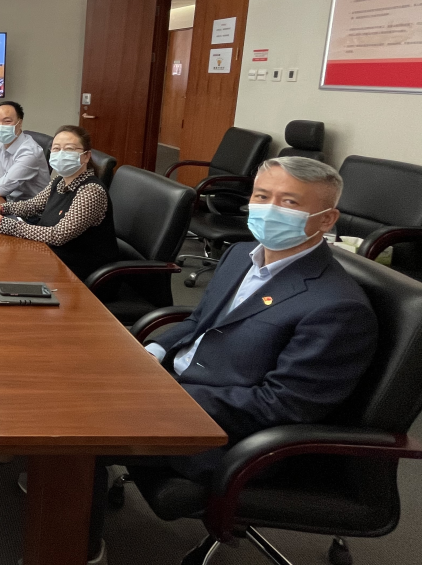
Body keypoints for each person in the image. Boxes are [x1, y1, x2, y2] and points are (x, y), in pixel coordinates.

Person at [61, 156, 380, 563]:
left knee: (76, 432)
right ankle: (59, 488)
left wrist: (165, 397)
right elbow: (199, 321)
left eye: (289, 202)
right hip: (175, 384)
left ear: (326, 219)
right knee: (70, 375)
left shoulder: (337, 307)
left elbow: (283, 405)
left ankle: (75, 550)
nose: (269, 209)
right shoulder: (242, 254)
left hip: (228, 433)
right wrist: (152, 352)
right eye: (262, 196)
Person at [0, 125, 118, 281]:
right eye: (56, 149)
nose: (61, 154)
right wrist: (1, 208)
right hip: (51, 256)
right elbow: (32, 206)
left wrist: (4, 224)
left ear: (86, 156)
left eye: (69, 149)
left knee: (4, 269)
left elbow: (59, 235)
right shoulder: (60, 181)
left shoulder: (91, 191)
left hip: (78, 271)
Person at [0, 100, 50, 201]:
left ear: (20, 123)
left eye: (7, 121)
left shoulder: (29, 152)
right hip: (8, 201)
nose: (0, 127)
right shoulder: (1, 144)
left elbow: (0, 189)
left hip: (29, 207)